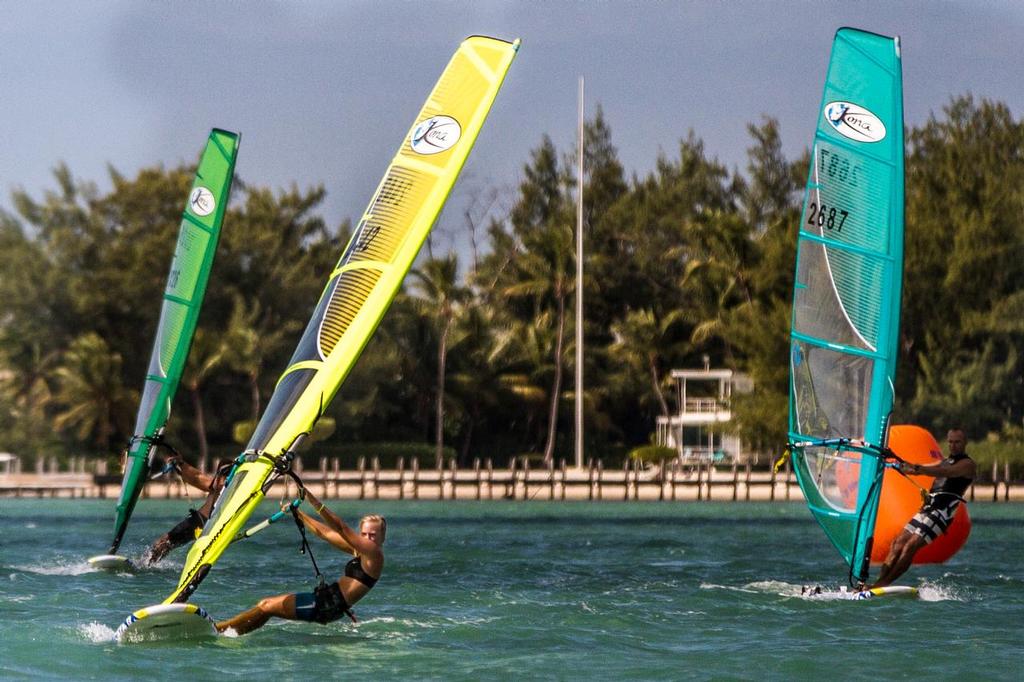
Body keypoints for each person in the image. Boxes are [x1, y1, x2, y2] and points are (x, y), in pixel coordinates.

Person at [215, 490, 385, 636]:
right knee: (266, 606)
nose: (367, 539)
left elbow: (341, 528)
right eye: (364, 534)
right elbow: (325, 533)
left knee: (266, 606)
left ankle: (219, 630)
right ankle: (228, 632)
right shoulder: (361, 552)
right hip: (326, 601)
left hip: (327, 606)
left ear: (382, 537)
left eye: (373, 535)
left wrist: (312, 499)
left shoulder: (374, 555)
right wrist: (298, 513)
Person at [867, 428, 976, 589]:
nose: (953, 446)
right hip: (928, 509)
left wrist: (919, 469)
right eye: (950, 442)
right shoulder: (945, 461)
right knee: (898, 543)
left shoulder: (967, 464)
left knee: (911, 545)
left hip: (941, 513)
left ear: (965, 443)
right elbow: (917, 468)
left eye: (957, 442)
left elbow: (945, 472)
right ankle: (879, 582)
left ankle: (883, 583)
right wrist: (897, 462)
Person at [138, 454, 229, 566]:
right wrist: (181, 463)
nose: (224, 479)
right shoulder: (215, 484)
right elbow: (197, 477)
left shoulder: (238, 489)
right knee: (165, 541)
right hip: (199, 521)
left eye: (228, 474)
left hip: (217, 524)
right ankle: (144, 564)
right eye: (223, 474)